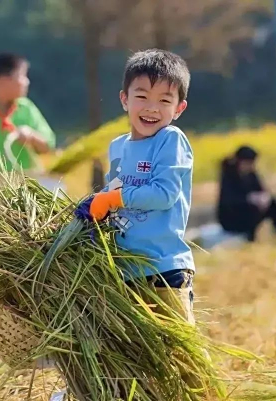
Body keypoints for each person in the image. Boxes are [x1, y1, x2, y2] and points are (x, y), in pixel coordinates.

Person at [76, 49, 195, 325]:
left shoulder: (170, 140)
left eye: (164, 100)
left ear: (179, 108)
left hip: (165, 267)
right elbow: (114, 194)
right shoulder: (117, 147)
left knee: (182, 352)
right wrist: (97, 207)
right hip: (126, 270)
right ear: (124, 100)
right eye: (141, 97)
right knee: (139, 355)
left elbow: (164, 194)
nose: (152, 108)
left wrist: (112, 199)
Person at [217, 145, 276, 242]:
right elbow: (229, 200)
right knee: (250, 208)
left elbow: (261, 190)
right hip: (231, 217)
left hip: (250, 209)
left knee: (273, 203)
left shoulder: (251, 174)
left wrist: (264, 198)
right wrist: (249, 199)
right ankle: (250, 238)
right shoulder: (229, 176)